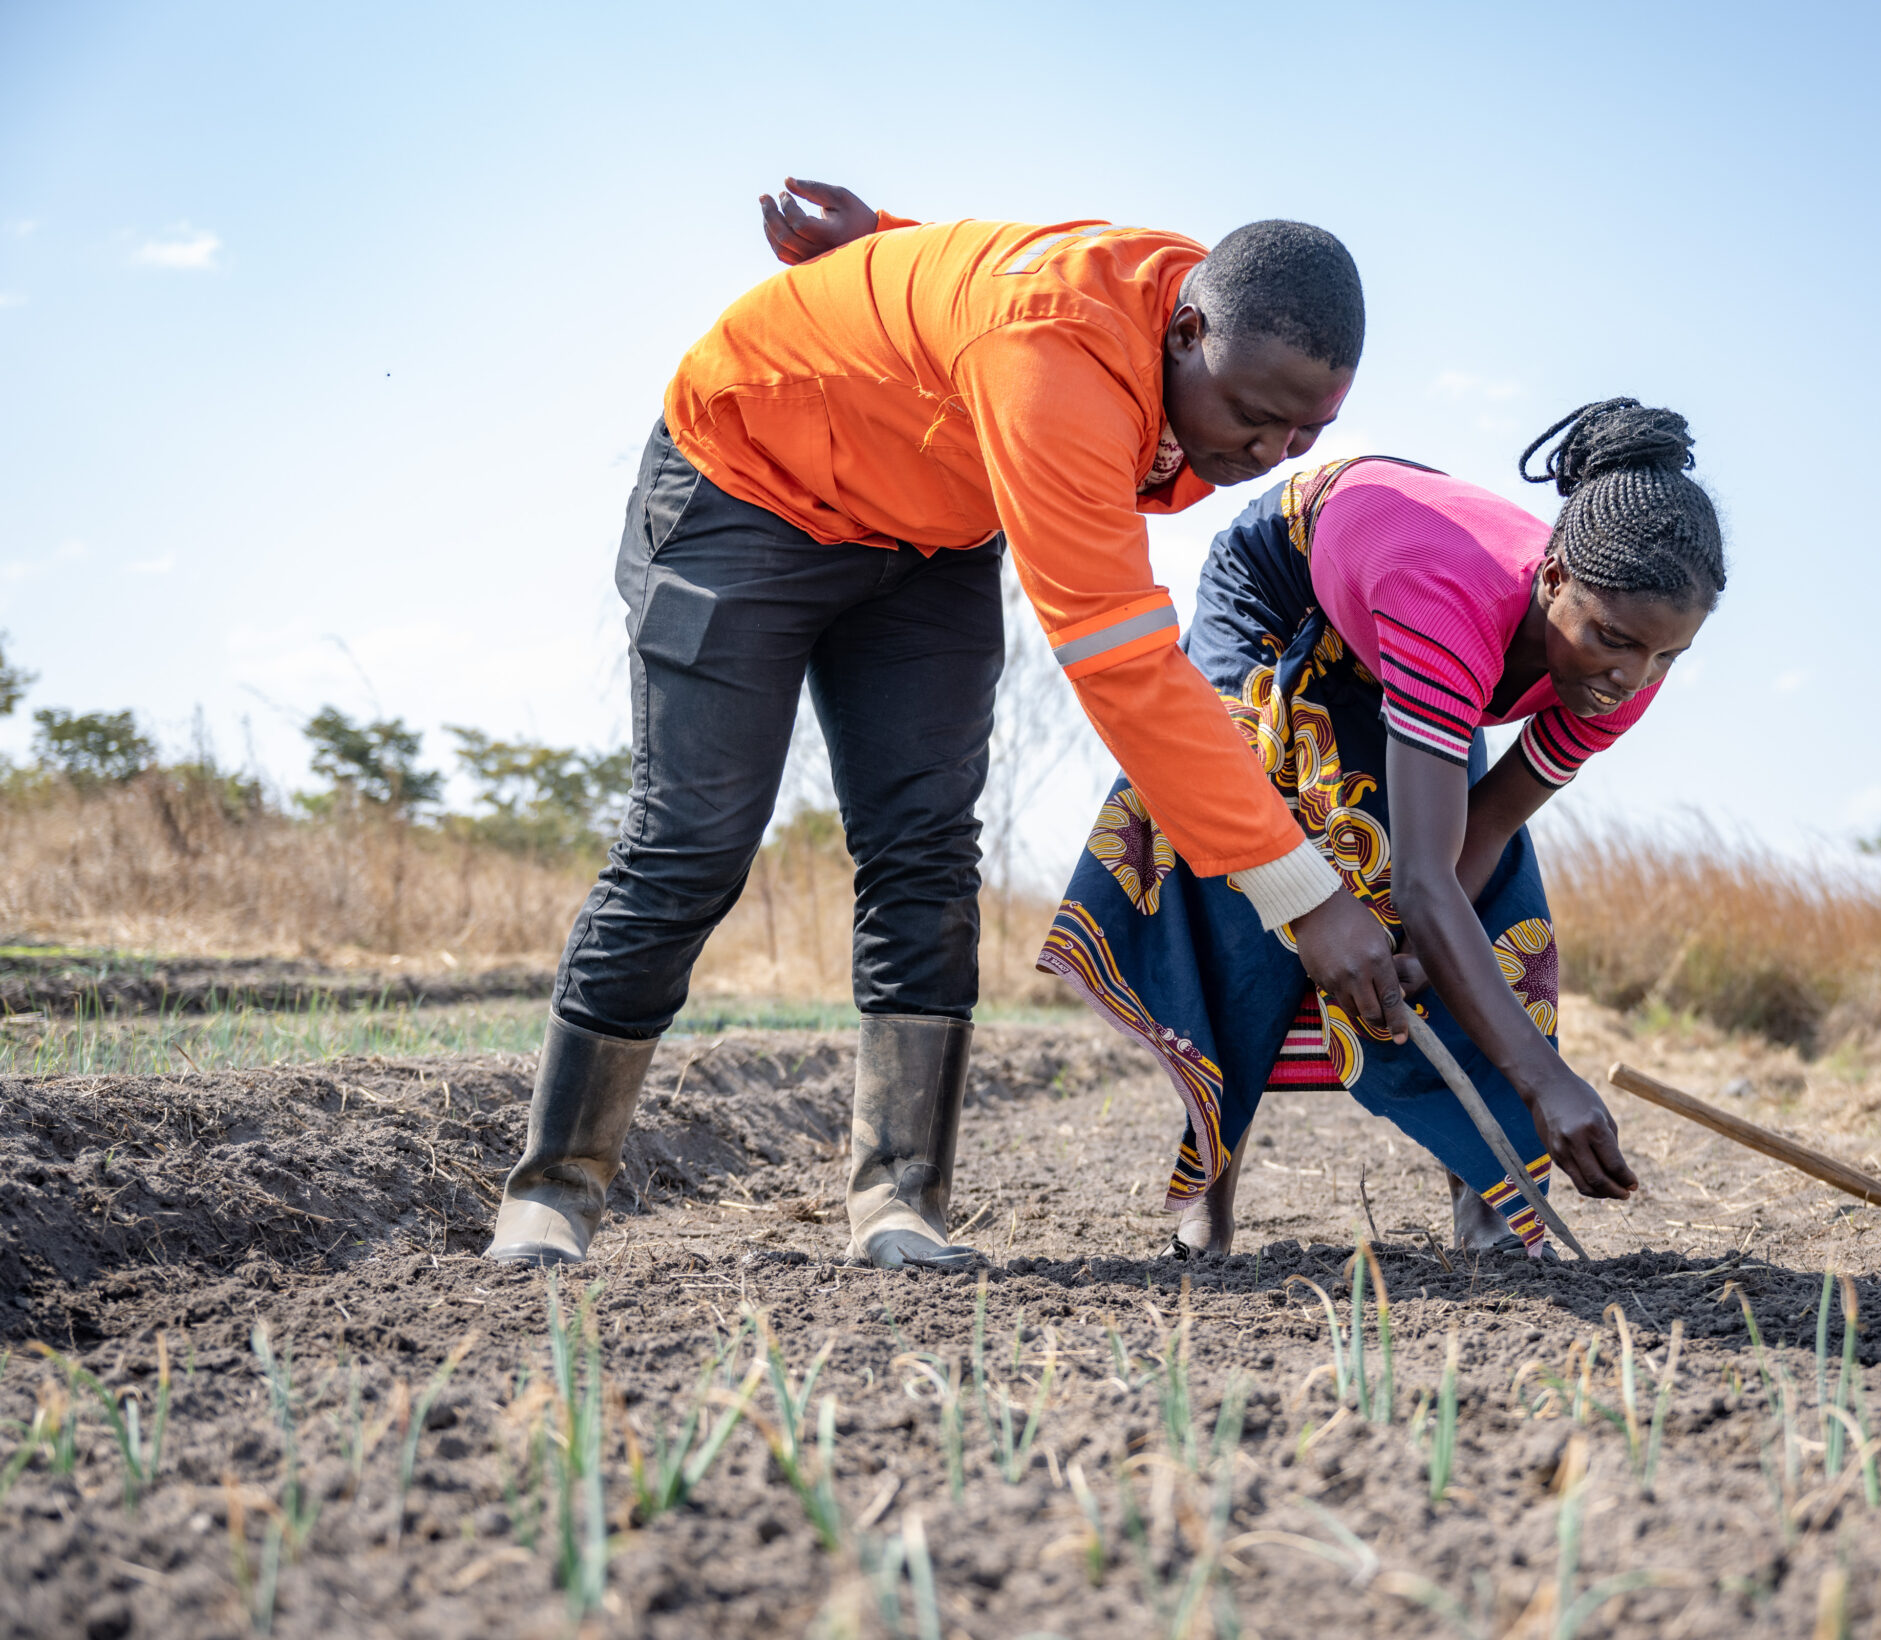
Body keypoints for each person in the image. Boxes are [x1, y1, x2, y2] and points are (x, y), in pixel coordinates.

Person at [483, 180, 1413, 1271]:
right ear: (1188, 329)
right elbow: (1125, 666)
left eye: (1308, 427)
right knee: (692, 841)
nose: (1274, 450)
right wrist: (1305, 895)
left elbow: (980, 274)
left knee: (924, 849)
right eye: (1255, 416)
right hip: (746, 485)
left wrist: (879, 246)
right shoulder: (1062, 366)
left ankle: (899, 1202)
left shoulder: (1179, 299)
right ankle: (554, 1187)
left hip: (929, 526)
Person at [1041, 398, 1726, 1258]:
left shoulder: (1625, 660)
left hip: (1412, 633)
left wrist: (1416, 943)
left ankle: (1493, 1199)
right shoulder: (1449, 600)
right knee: (1248, 864)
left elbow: (1483, 830)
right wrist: (1546, 1078)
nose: (1633, 677)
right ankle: (1208, 1197)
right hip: (1283, 593)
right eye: (1614, 641)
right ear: (1554, 583)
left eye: (1666, 657)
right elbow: (1422, 879)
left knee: (1489, 922)